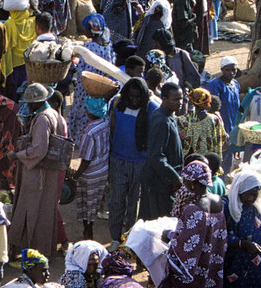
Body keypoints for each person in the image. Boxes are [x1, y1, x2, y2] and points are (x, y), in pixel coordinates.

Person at [10, 83, 68, 254]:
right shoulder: (55, 114)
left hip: (39, 172)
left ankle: (32, 249)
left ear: (37, 102)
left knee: (33, 208)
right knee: (46, 209)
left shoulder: (43, 119)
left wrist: (17, 155)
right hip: (50, 171)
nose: (28, 106)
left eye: (30, 103)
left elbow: (39, 149)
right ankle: (44, 247)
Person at [107, 77, 155, 243]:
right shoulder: (118, 105)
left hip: (140, 163)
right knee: (116, 201)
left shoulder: (151, 109)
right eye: (131, 96)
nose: (134, 100)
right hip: (119, 160)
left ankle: (130, 239)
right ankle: (115, 238)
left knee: (134, 203)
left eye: (138, 97)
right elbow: (111, 128)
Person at [141, 84, 184, 220]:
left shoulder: (168, 117)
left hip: (164, 181)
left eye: (181, 99)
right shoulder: (162, 121)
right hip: (160, 183)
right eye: (175, 99)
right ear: (164, 99)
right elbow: (156, 155)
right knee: (162, 222)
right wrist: (174, 177)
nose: (180, 103)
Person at [71, 98, 111, 241]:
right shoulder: (106, 123)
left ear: (90, 112)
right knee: (95, 202)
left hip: (90, 174)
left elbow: (86, 159)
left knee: (86, 204)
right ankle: (89, 229)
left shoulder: (89, 131)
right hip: (103, 170)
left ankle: (88, 232)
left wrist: (76, 176)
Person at [180, 87, 228, 160]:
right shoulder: (214, 120)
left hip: (190, 162)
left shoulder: (183, 120)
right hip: (210, 162)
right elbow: (222, 137)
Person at [205, 56, 241, 135]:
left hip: (233, 123)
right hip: (219, 125)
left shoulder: (236, 84)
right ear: (222, 70)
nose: (231, 73)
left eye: (233, 70)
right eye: (227, 70)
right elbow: (212, 107)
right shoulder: (215, 85)